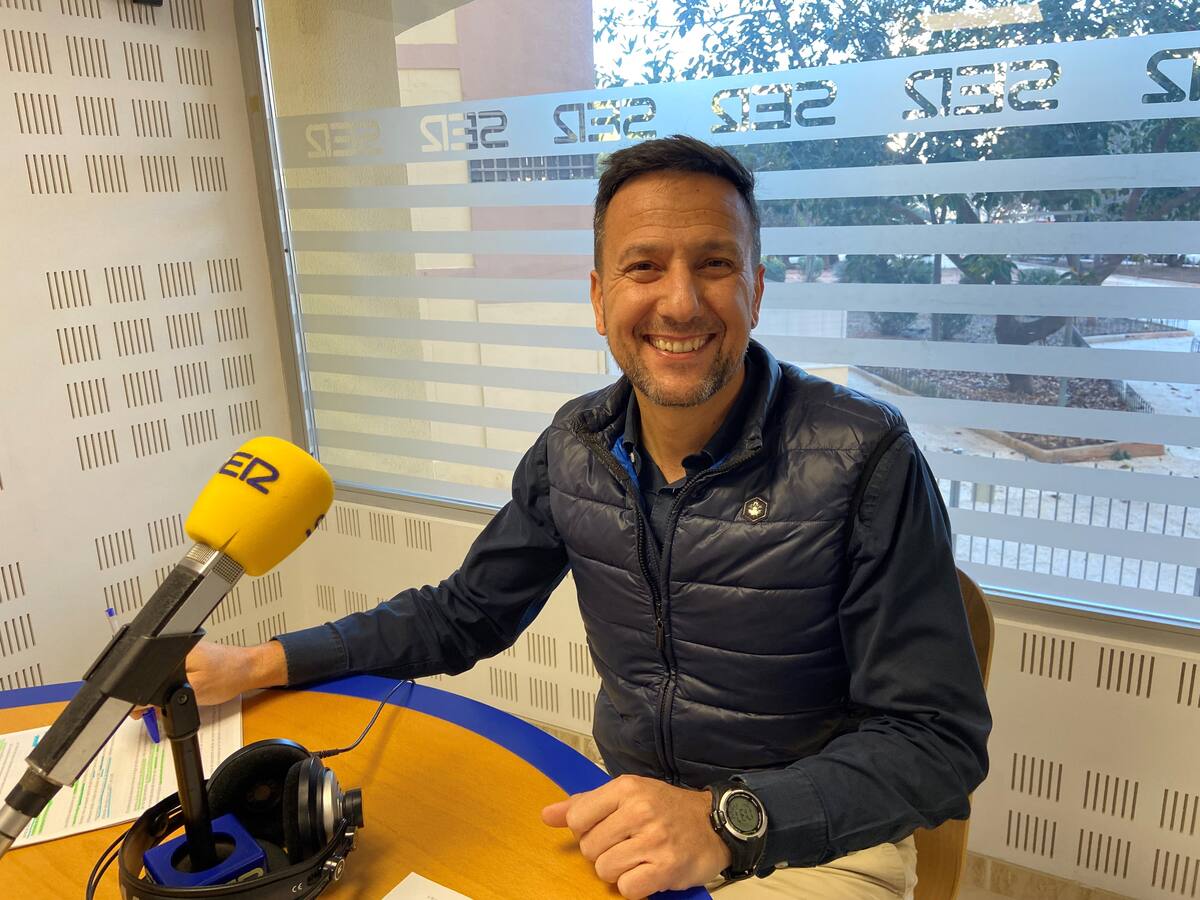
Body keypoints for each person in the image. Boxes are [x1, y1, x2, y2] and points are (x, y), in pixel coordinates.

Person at [184, 135, 991, 899]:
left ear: (755, 288)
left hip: (810, 839)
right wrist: (256, 663)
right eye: (645, 267)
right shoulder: (575, 447)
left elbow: (936, 740)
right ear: (600, 299)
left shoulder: (864, 455)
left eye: (715, 264)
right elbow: (464, 615)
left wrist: (724, 822)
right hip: (628, 807)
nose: (681, 301)